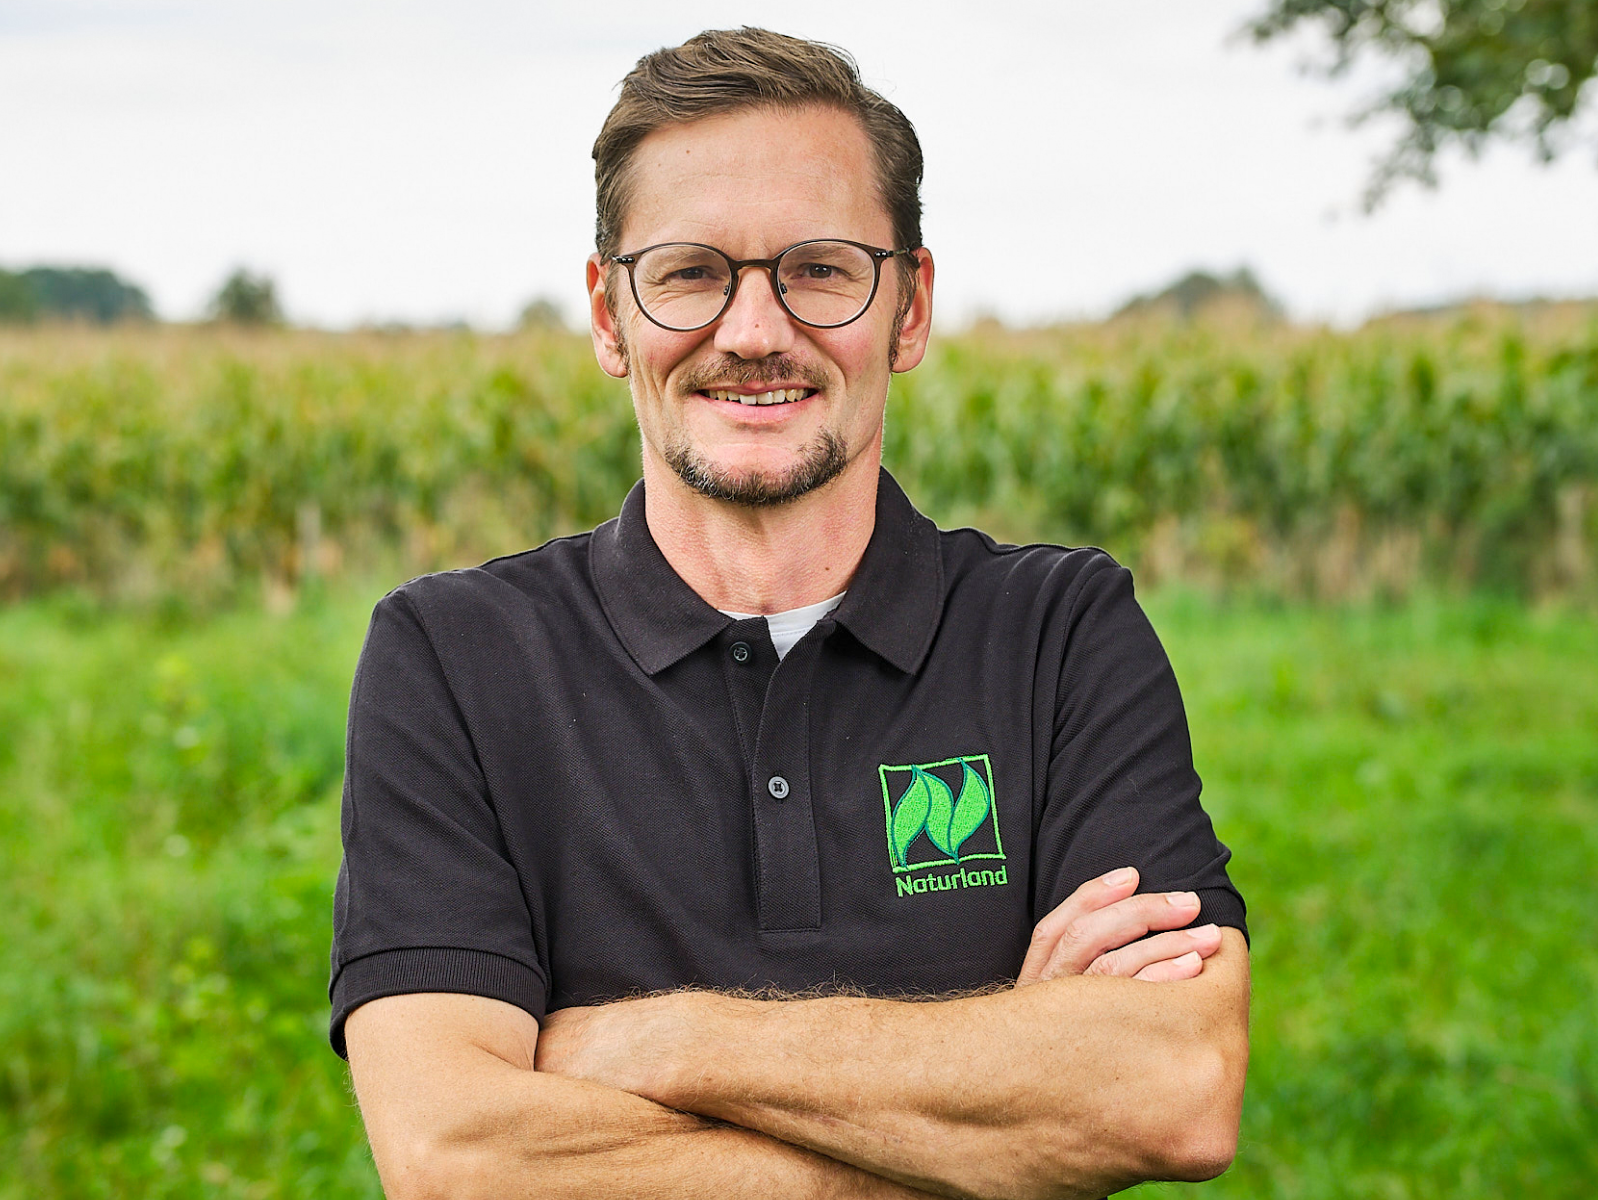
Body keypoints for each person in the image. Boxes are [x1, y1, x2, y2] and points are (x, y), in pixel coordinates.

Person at [329, 27, 1248, 1199]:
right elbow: (456, 1156)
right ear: (612, 319)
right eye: (689, 272)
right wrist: (993, 1097)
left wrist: (648, 1042)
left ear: (908, 310)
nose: (755, 332)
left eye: (819, 268)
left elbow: (1170, 1092)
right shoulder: (453, 658)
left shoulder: (1059, 634)